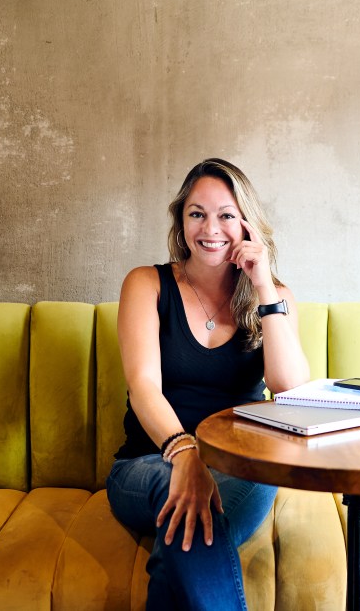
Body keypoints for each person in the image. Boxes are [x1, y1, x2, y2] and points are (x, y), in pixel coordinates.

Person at [106, 158, 311, 610]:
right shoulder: (147, 284)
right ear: (181, 221)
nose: (210, 228)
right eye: (197, 213)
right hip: (148, 463)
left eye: (226, 215)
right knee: (192, 509)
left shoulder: (274, 296)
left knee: (182, 543)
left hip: (245, 465)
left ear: (247, 225)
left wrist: (262, 286)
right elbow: (143, 387)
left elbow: (290, 389)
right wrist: (186, 456)